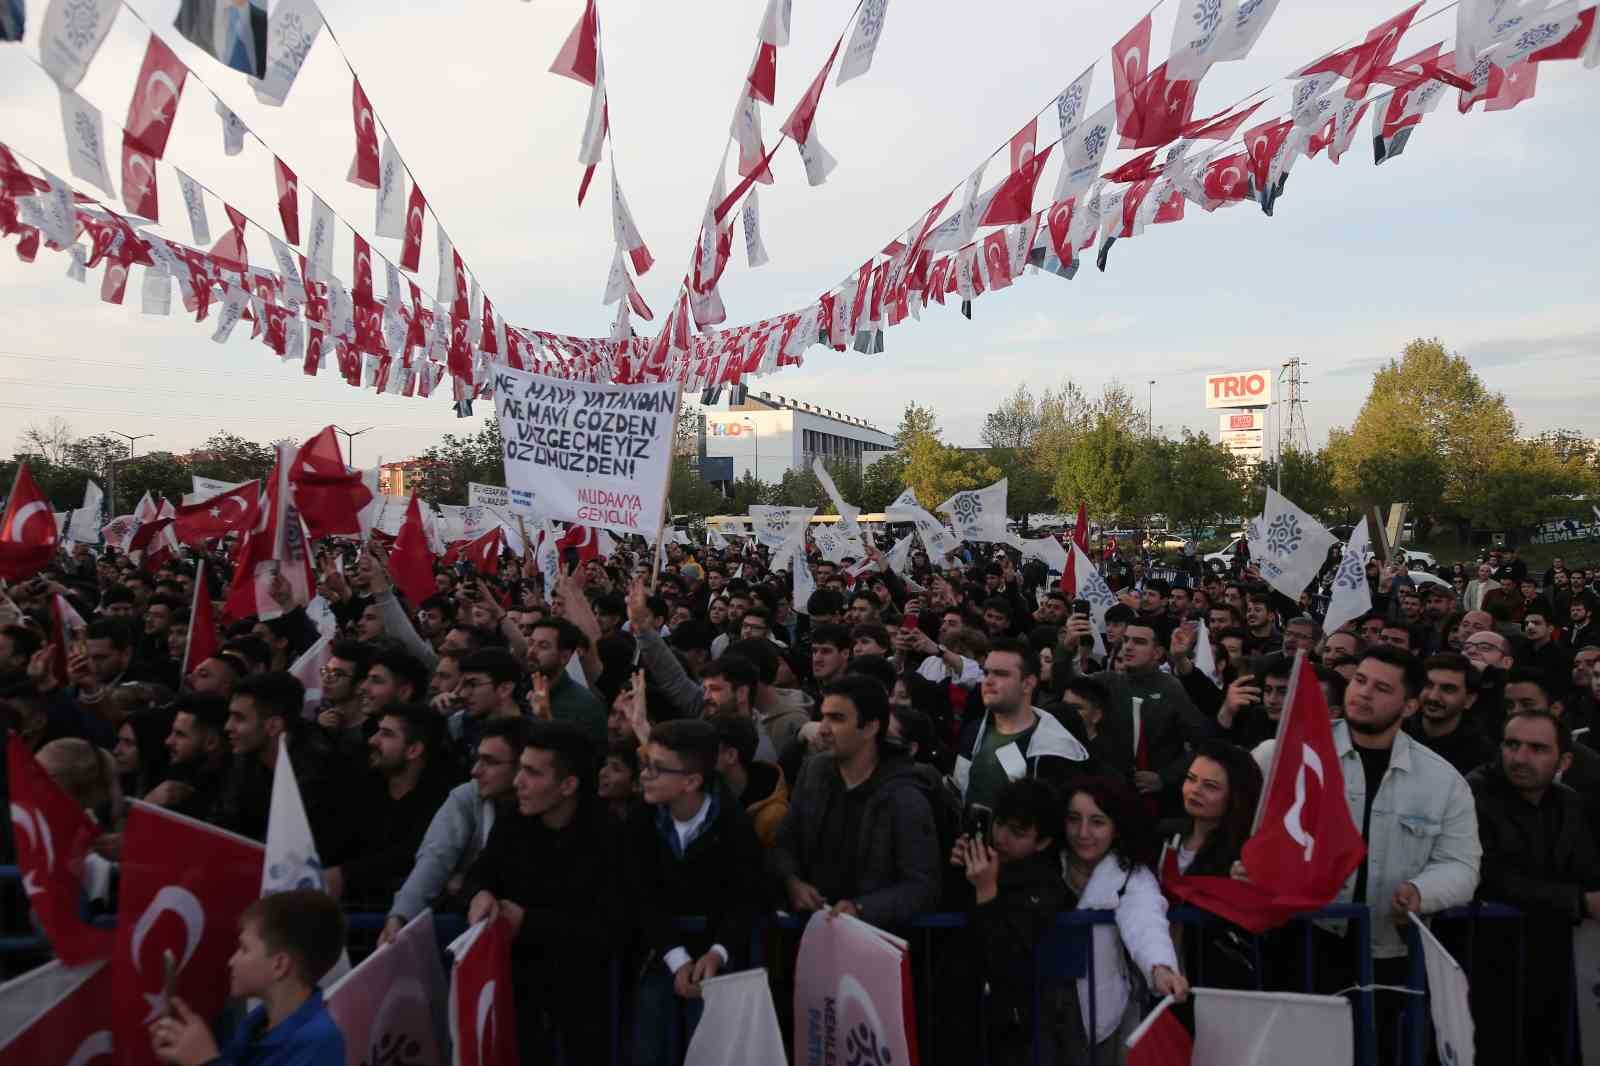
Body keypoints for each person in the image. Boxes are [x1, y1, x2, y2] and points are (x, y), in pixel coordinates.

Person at [1250, 645, 1481, 1066]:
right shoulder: (1285, 754)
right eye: (1359, 681)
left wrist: (1421, 892)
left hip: (1387, 956)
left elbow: (1461, 864)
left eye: (1381, 688)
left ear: (1409, 705)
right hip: (1297, 944)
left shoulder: (1442, 782)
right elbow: (1240, 829)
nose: (1363, 694)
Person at [463, 720, 623, 1066]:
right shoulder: (512, 822)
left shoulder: (609, 837)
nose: (518, 782)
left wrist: (529, 922)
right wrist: (480, 893)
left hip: (583, 995)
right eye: (520, 769)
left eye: (533, 773)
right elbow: (482, 872)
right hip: (517, 988)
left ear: (568, 785)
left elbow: (610, 925)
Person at [625, 719, 765, 1066]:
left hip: (720, 956)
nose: (644, 775)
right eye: (645, 765)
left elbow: (747, 896)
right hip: (659, 951)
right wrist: (676, 957)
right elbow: (639, 892)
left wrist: (717, 953)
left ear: (691, 780)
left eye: (657, 769)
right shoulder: (641, 817)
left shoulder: (734, 823)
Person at [1467, 709, 1600, 1064]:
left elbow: (1586, 869)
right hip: (1485, 964)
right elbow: (1487, 876)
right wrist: (1578, 902)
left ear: (1564, 759)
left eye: (1537, 748)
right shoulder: (1472, 794)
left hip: (1553, 965)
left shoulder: (1569, 803)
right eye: (1512, 744)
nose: (1520, 757)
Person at [770, 675, 942, 930]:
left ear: (871, 727)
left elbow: (922, 886)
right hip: (811, 932)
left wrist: (862, 909)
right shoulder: (814, 773)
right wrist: (792, 881)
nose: (823, 729)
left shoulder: (905, 795)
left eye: (837, 718)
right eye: (824, 716)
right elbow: (785, 841)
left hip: (874, 943)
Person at [1054, 778, 1188, 1063]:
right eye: (1074, 819)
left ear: (1116, 827)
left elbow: (1146, 920)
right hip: (1041, 1009)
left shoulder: (1130, 874)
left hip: (1100, 1008)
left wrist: (1161, 967)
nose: (1083, 832)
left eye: (1097, 822)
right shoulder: (1047, 864)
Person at [938, 778, 1066, 1066]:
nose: (1002, 838)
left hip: (1013, 1028)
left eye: (1017, 833)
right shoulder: (983, 860)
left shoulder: (1045, 886)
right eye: (1000, 824)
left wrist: (986, 890)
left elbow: (1007, 958)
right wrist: (957, 872)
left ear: (1042, 842)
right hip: (958, 1015)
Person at [149, 889, 346, 1066]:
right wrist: (182, 1055)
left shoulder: (320, 1043)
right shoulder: (255, 1024)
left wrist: (205, 1061)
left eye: (244, 949)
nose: (231, 961)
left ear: (279, 965)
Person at [381, 716, 531, 945]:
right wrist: (400, 916)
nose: (475, 771)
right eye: (476, 759)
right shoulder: (466, 796)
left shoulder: (542, 808)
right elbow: (434, 858)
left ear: (522, 766)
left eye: (489, 762)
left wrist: (465, 884)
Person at [1158, 741, 1264, 990]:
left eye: (1210, 786)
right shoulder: (1163, 836)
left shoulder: (1246, 854)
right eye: (1191, 779)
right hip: (1163, 978)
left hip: (1217, 983)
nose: (1194, 790)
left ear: (1235, 795)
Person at [953, 637, 1088, 810]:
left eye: (1001, 674)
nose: (988, 681)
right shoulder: (973, 732)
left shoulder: (1056, 749)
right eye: (986, 672)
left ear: (1028, 683)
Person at [1402, 653, 1494, 778]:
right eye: (1428, 685)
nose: (1433, 696)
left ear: (1469, 700)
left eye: (1448, 689)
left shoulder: (1481, 753)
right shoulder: (1395, 730)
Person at [525, 619, 608, 747]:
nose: (531, 651)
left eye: (543, 646)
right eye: (531, 643)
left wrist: (545, 719)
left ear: (564, 657)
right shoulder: (518, 689)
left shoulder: (585, 706)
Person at [711, 713, 789, 848]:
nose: (697, 756)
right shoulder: (708, 788)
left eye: (707, 749)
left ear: (730, 756)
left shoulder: (771, 817)